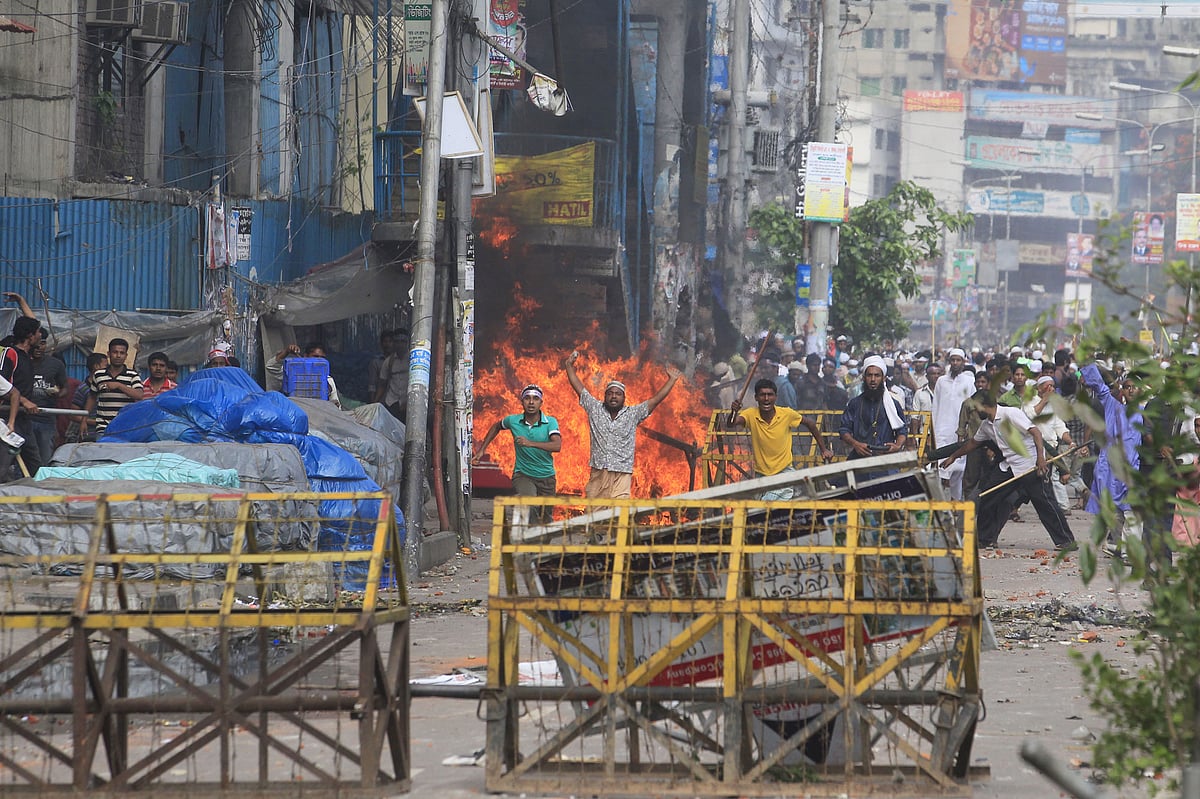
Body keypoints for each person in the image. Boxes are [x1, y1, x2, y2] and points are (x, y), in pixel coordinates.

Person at [940, 392, 1076, 552]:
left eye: (976, 408)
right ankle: (985, 539)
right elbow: (973, 443)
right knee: (987, 496)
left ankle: (1065, 541)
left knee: (1045, 503)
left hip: (1030, 465)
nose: (975, 413)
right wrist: (953, 457)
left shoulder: (1011, 414)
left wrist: (1040, 458)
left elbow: (1036, 432)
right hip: (1008, 466)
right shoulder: (986, 425)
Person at [561, 350, 681, 499]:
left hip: (621, 474)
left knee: (618, 513)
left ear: (624, 398)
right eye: (610, 393)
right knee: (594, 515)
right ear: (605, 396)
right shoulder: (594, 408)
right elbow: (579, 387)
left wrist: (672, 380)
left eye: (618, 394)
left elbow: (655, 400)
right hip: (598, 472)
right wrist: (569, 366)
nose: (613, 397)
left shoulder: (633, 414)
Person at [729, 378, 833, 498]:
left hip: (783, 472)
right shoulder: (750, 414)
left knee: (768, 506)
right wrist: (734, 411)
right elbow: (731, 423)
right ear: (756, 397)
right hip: (761, 475)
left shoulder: (786, 414)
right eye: (762, 395)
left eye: (770, 395)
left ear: (776, 397)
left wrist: (824, 449)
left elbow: (811, 424)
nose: (766, 399)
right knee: (762, 512)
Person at [473, 384, 561, 522]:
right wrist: (482, 449)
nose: (531, 402)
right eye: (527, 398)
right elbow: (497, 426)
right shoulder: (513, 420)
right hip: (523, 474)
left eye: (535, 399)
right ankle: (530, 537)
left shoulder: (550, 422)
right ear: (522, 401)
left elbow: (557, 445)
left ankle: (540, 538)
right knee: (529, 503)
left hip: (547, 477)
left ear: (541, 402)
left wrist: (530, 443)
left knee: (546, 518)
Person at [1080, 363, 1141, 554]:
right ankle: (1118, 546)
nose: (1131, 390)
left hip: (1134, 469)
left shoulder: (1147, 412)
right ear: (1121, 390)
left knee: (1132, 512)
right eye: (1127, 387)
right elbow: (1099, 386)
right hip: (1111, 470)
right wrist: (1089, 364)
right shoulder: (1112, 407)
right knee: (1115, 512)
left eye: (1134, 387)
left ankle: (1129, 550)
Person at [839, 355, 908, 458]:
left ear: (884, 378)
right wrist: (855, 444)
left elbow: (902, 430)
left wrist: (897, 446)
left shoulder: (893, 404)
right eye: (869, 375)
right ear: (864, 377)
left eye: (877, 375)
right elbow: (844, 429)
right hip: (860, 458)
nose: (873, 379)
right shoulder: (855, 403)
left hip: (885, 459)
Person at [0, 316, 45, 475]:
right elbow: (3, 385)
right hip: (8, 418)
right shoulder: (11, 353)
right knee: (4, 464)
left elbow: (31, 319)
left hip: (24, 419)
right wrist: (24, 401)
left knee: (34, 463)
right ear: (30, 336)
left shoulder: (29, 355)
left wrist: (20, 301)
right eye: (38, 332)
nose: (41, 336)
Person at [932, 348, 976, 499]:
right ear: (949, 362)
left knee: (959, 470)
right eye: (953, 360)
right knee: (942, 469)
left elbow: (973, 409)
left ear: (963, 362)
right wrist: (933, 429)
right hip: (941, 430)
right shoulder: (941, 381)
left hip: (959, 432)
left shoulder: (970, 382)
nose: (955, 363)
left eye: (958, 360)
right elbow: (935, 406)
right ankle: (942, 504)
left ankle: (955, 503)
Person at [81, 338, 144, 438]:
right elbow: (92, 397)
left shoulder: (132, 375)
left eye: (122, 353)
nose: (118, 356)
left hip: (125, 426)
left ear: (126, 356)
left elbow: (139, 395)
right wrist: (84, 420)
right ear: (109, 354)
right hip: (103, 427)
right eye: (115, 352)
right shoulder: (99, 375)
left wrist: (119, 385)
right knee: (102, 453)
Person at [27, 325, 66, 465]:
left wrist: (58, 393)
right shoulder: (23, 361)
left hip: (46, 420)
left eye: (43, 343)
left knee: (44, 459)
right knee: (25, 459)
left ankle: (41, 485)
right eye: (37, 343)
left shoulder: (56, 365)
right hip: (25, 419)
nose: (39, 347)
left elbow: (64, 388)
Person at [374, 329, 411, 421]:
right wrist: (375, 403)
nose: (400, 345)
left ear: (407, 343)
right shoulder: (389, 362)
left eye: (403, 341)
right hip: (392, 402)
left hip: (409, 403)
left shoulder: (413, 360)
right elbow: (382, 384)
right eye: (397, 342)